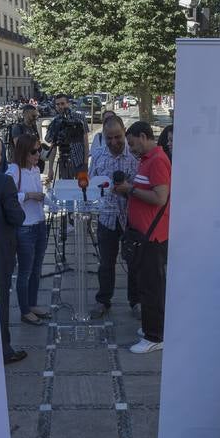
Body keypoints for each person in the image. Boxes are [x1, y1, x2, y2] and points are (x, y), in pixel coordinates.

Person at [114, 121, 169, 353]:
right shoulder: (146, 161)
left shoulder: (157, 161)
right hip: (143, 235)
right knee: (145, 284)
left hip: (153, 237)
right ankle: (151, 326)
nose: (132, 148)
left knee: (151, 287)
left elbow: (159, 198)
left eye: (134, 143)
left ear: (145, 137)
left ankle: (154, 336)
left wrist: (130, 190)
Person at [88, 116, 139, 319]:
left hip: (131, 218)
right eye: (109, 138)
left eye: (117, 137)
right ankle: (103, 301)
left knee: (134, 263)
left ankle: (136, 301)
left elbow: (143, 187)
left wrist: (128, 189)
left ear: (124, 132)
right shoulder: (99, 157)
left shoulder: (135, 156)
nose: (113, 142)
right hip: (107, 218)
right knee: (106, 263)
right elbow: (91, 185)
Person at [0, 133, 27, 363]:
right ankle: (3, 349)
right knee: (0, 301)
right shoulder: (3, 182)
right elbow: (17, 217)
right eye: (0, 153)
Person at [7, 134, 50, 324]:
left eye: (39, 150)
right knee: (25, 271)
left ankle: (32, 304)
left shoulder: (34, 169)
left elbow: (40, 195)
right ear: (24, 151)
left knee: (37, 268)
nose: (37, 154)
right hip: (25, 228)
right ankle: (25, 311)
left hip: (40, 223)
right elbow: (8, 194)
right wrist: (29, 195)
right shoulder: (14, 170)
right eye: (34, 151)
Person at [45, 93, 87, 181]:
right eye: (58, 104)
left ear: (68, 104)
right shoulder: (56, 122)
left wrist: (85, 163)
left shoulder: (80, 118)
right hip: (64, 163)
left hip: (79, 162)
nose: (60, 106)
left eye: (62, 103)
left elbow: (85, 142)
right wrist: (50, 169)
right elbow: (53, 147)